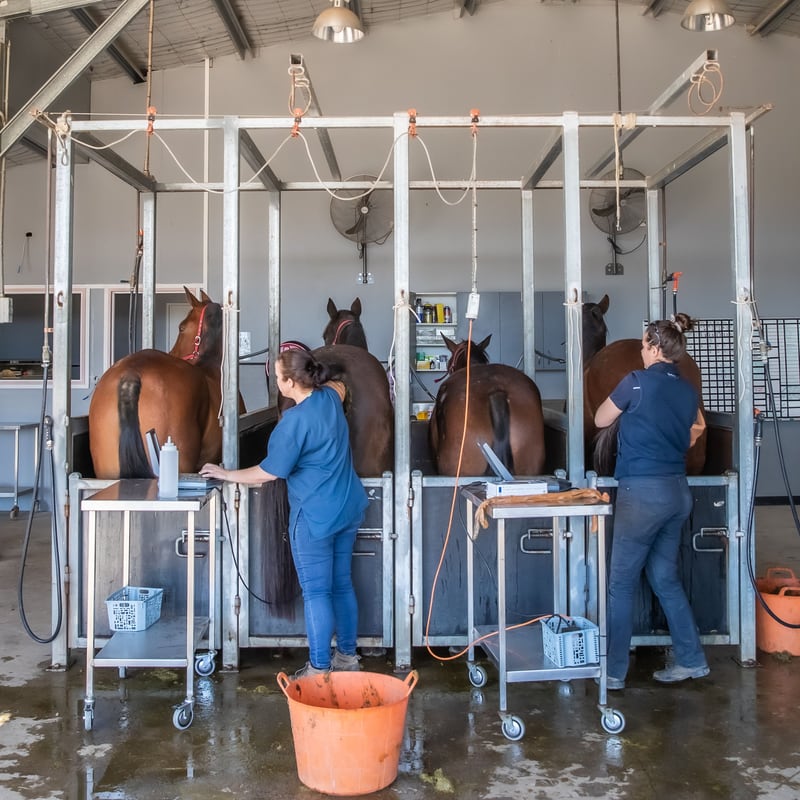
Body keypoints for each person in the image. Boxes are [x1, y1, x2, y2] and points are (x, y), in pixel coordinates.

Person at [200, 348, 367, 678]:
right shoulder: (331, 398)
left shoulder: (293, 422)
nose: (276, 383)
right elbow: (341, 386)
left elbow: (268, 472)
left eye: (278, 377)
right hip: (349, 507)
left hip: (314, 518)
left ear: (291, 383)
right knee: (343, 585)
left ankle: (319, 669)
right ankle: (347, 657)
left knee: (317, 593)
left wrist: (227, 474)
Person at [594, 314, 708, 690]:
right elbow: (693, 432)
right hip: (678, 491)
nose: (641, 351)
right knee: (665, 578)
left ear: (656, 348)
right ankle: (691, 660)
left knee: (621, 584)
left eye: (644, 345)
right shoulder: (688, 390)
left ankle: (612, 673)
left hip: (642, 494)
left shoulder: (636, 383)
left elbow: (599, 419)